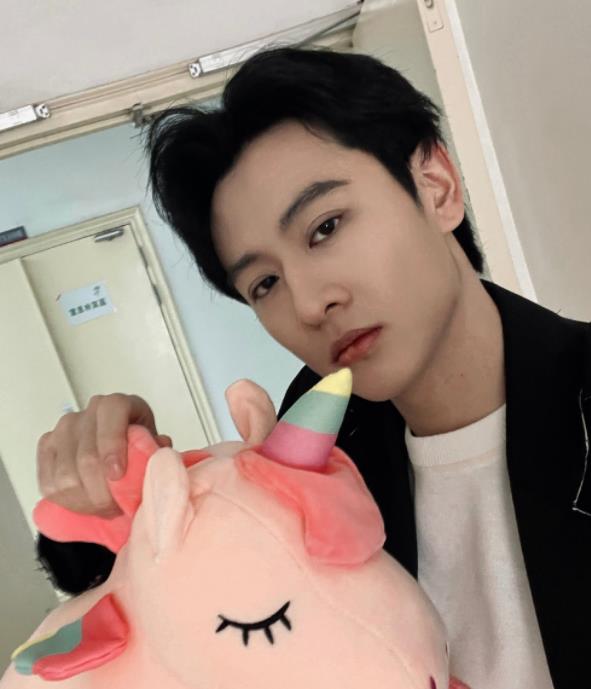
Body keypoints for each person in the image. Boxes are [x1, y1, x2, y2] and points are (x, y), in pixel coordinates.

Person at [35, 48, 591, 688]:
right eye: (264, 283)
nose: (306, 304)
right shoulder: (319, 451)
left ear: (436, 186)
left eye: (325, 228)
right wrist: (110, 492)